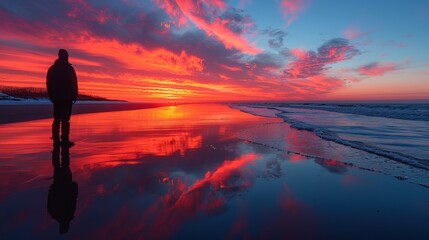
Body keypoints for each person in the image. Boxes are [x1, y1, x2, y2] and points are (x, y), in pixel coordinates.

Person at [46, 49, 78, 147]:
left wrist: (51, 95)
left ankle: (56, 139)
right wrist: (75, 96)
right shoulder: (69, 69)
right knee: (65, 120)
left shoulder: (52, 69)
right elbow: (74, 83)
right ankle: (64, 140)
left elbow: (48, 83)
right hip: (66, 98)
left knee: (57, 119)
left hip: (57, 98)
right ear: (65, 56)